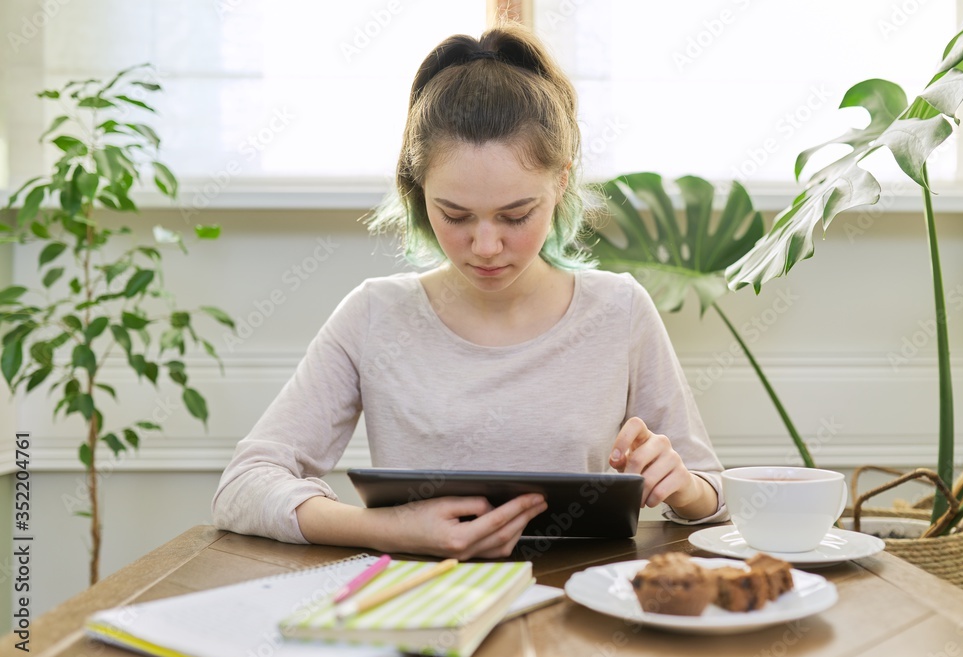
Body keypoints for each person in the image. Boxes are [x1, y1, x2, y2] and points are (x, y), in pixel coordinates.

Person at [212, 22, 727, 560]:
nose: (485, 245)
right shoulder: (374, 315)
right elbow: (243, 487)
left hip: (580, 606)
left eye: (515, 214)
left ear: (561, 182)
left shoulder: (619, 310)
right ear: (417, 191)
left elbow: (712, 495)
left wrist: (684, 486)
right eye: (455, 215)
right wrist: (391, 529)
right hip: (421, 605)